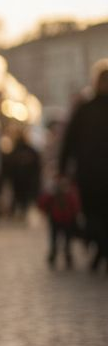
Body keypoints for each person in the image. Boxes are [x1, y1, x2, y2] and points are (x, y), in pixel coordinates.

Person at [58, 59, 108, 273]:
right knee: (101, 215)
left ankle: (100, 251)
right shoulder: (83, 109)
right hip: (92, 173)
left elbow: (68, 142)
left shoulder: (84, 109)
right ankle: (102, 251)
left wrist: (62, 169)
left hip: (88, 174)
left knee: (92, 214)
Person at [0, 126, 41, 219]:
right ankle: (20, 212)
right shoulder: (26, 151)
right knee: (21, 198)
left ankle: (21, 212)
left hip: (23, 182)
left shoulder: (27, 152)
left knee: (22, 198)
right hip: (21, 182)